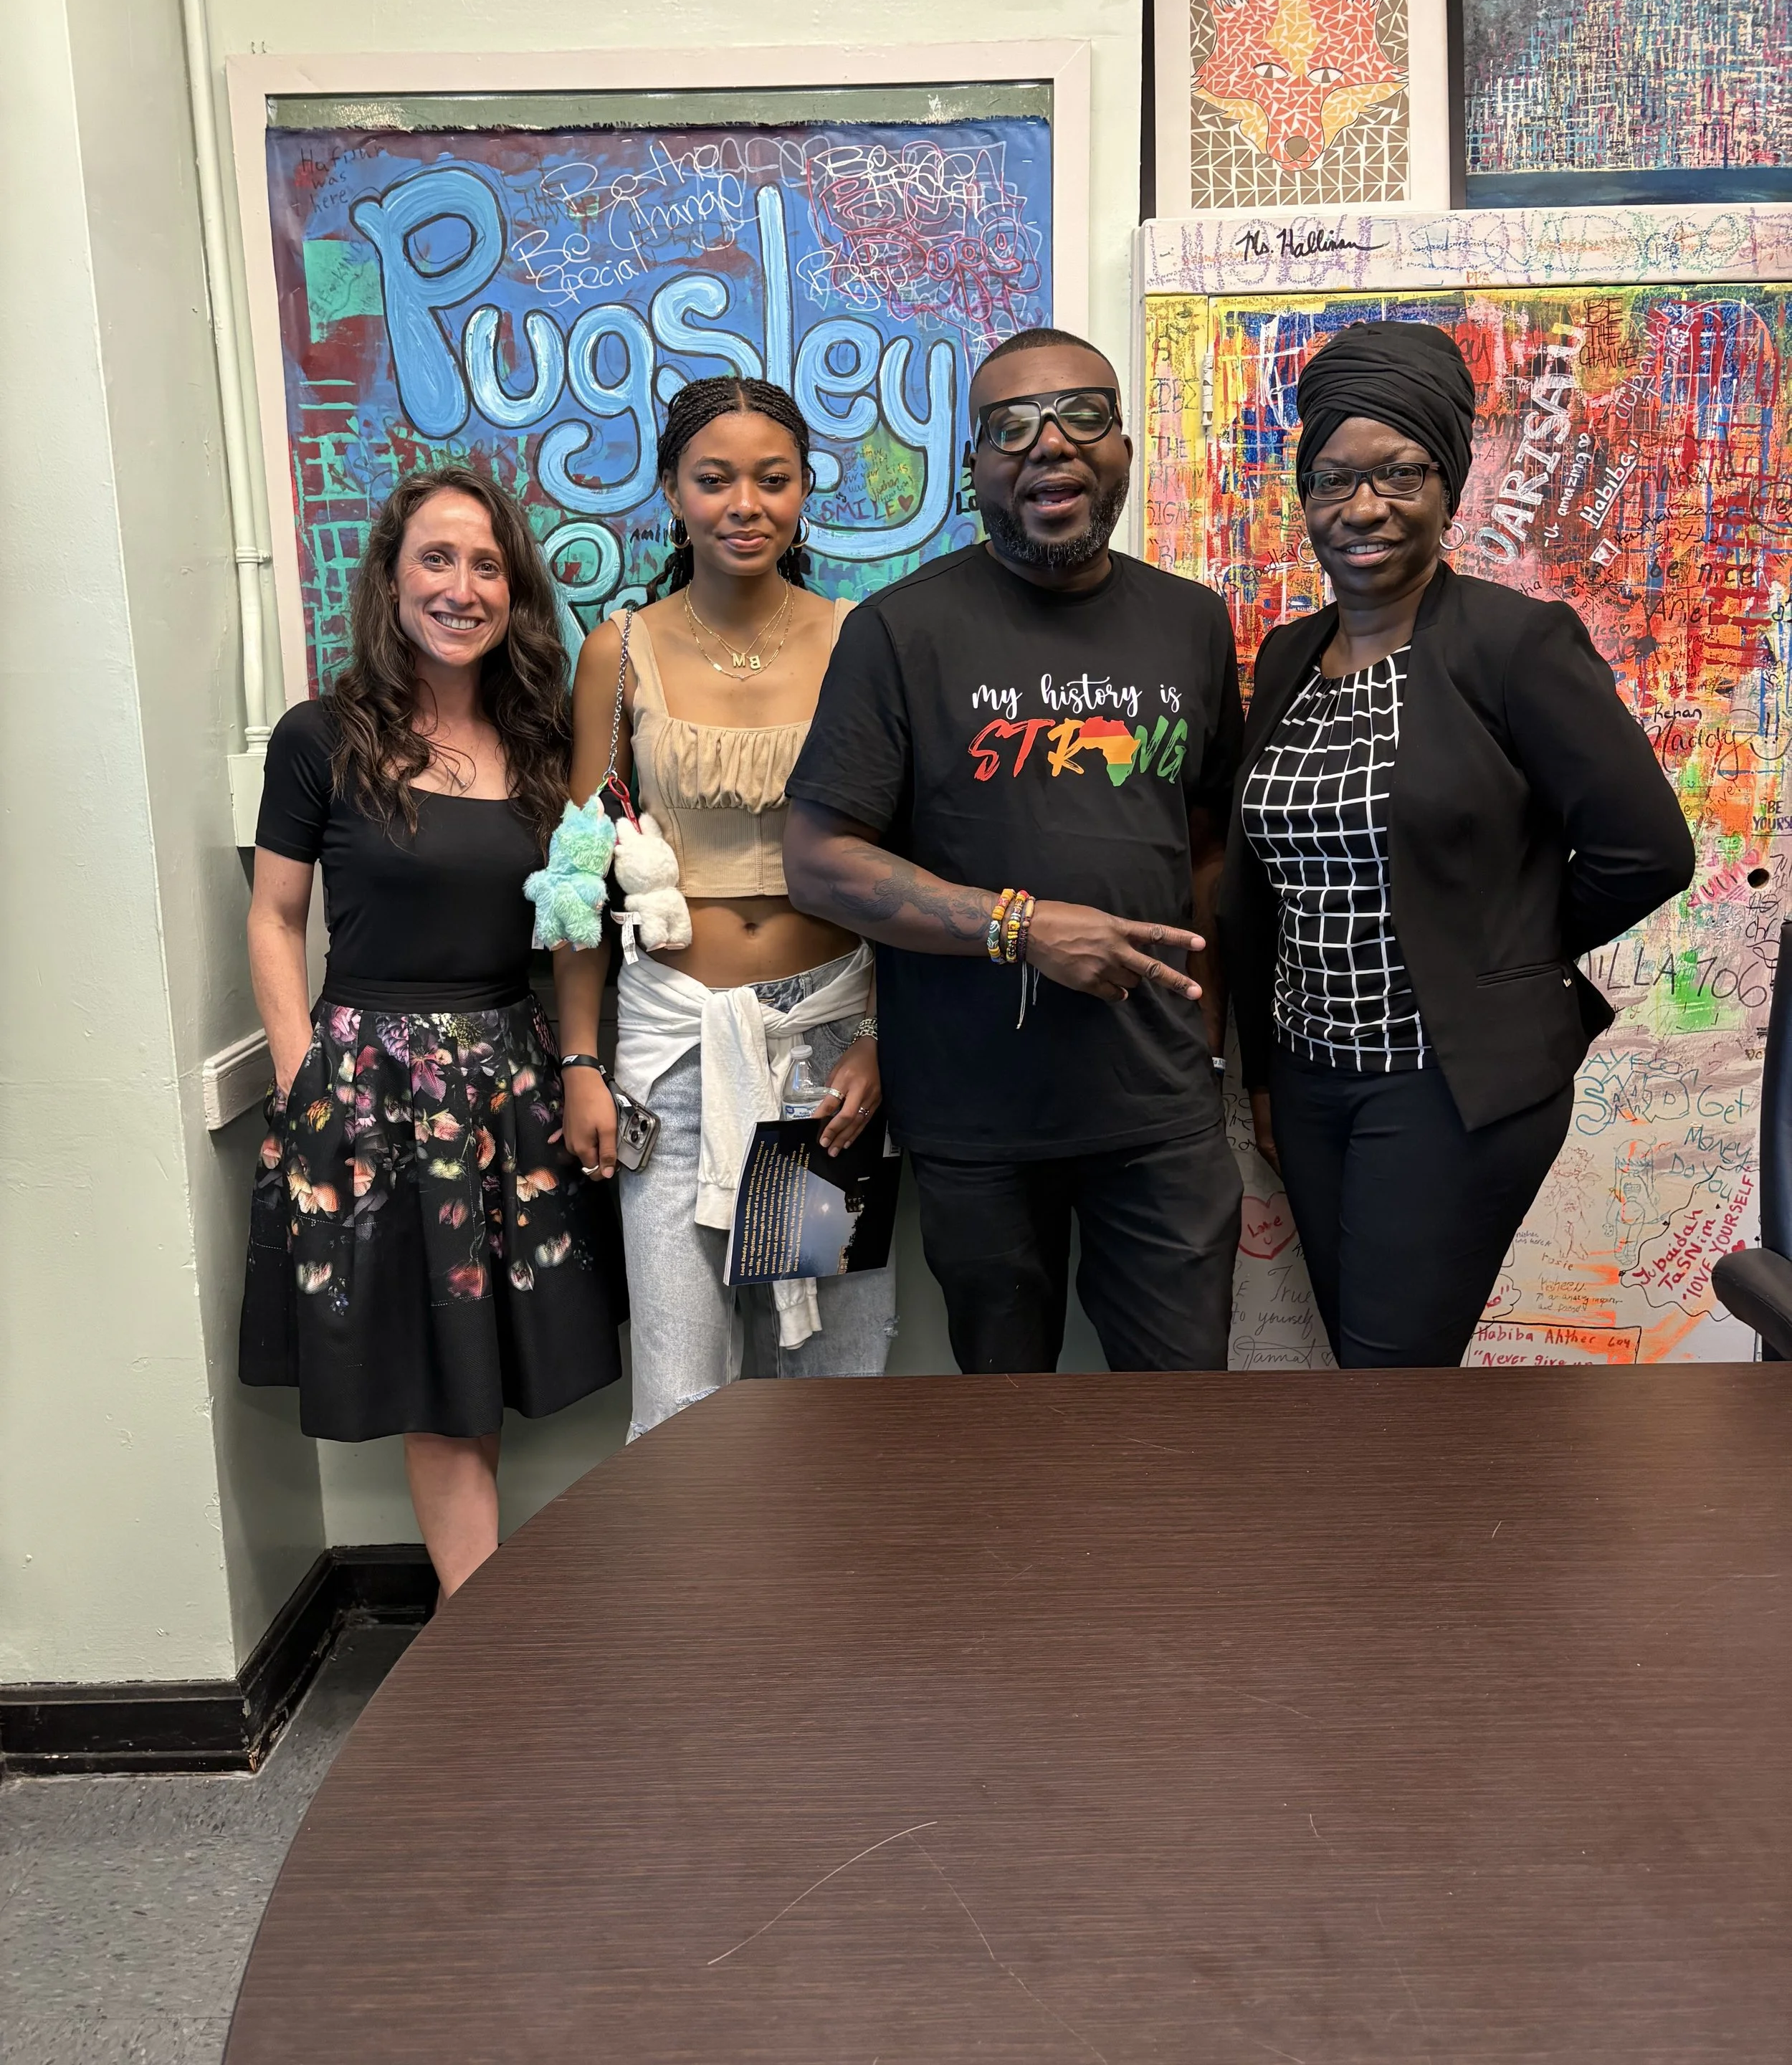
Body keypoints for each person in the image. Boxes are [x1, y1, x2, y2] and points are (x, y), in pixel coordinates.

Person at [1219, 318, 1695, 1368]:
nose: (1363, 507)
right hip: (1309, 1077)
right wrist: (1264, 1071)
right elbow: (1261, 890)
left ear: (1450, 484)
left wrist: (1497, 955)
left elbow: (1648, 852)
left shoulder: (1515, 644)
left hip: (1449, 1082)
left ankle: (1415, 1495)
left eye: (1400, 473)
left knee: (1391, 1375)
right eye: (1333, 479)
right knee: (1368, 1364)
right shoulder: (1290, 655)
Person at [783, 325, 1245, 1374]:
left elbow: (1209, 844)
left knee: (1187, 1414)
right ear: (975, 465)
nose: (1050, 443)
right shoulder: (899, 631)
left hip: (1160, 1109)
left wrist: (1206, 1036)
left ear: (1124, 445)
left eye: (1083, 414)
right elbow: (818, 860)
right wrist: (1019, 927)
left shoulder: (1191, 622)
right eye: (1011, 427)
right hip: (974, 1115)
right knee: (1004, 1426)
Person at [239, 466, 624, 1596]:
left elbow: (574, 924)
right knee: (429, 1370)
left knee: (477, 1357)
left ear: (516, 591)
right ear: (392, 580)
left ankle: (477, 1628)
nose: (463, 587)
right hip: (369, 1090)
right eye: (437, 559)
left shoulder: (545, 746)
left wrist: (579, 1064)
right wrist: (301, 1078)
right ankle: (476, 1629)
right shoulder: (319, 737)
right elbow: (274, 919)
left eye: (488, 565)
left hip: (511, 1080)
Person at [556, 376, 894, 1436]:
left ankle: (828, 1551)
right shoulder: (620, 652)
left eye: (772, 479)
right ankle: (693, 1557)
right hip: (672, 1051)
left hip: (825, 1052)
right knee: (681, 1385)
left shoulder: (861, 638)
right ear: (672, 492)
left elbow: (905, 860)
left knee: (829, 1370)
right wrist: (580, 1061)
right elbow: (579, 875)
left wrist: (883, 1038)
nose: (744, 504)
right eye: (714, 480)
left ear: (804, 493)